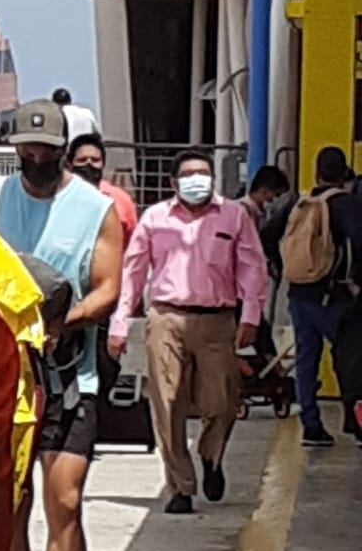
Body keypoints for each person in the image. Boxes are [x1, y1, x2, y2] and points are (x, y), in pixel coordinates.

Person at [0, 98, 123, 551]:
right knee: (10, 512)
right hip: (5, 378)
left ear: (64, 150)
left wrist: (68, 322)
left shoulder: (96, 210)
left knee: (65, 501)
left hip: (69, 377)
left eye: (45, 149)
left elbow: (109, 286)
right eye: (25, 149)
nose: (34, 158)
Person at [109, 148, 268, 511]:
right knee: (166, 403)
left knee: (224, 402)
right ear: (173, 183)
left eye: (203, 173)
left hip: (217, 320)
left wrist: (251, 316)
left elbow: (252, 266)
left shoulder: (234, 215)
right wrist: (120, 323)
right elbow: (133, 273)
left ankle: (211, 455)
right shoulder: (155, 218)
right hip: (166, 317)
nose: (197, 180)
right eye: (188, 174)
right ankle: (180, 486)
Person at [280, 146, 362, 446]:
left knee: (306, 360)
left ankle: (311, 426)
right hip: (335, 296)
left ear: (317, 172)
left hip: (299, 294)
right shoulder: (347, 204)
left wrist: (280, 270)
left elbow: (267, 234)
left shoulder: (299, 203)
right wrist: (355, 281)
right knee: (351, 359)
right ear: (344, 173)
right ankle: (355, 422)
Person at [68, 132, 138, 242]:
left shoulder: (121, 199)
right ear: (70, 165)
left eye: (95, 160)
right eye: (82, 160)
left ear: (103, 164)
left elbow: (131, 241)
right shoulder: (60, 198)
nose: (89, 164)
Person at [241, 164, 291, 230]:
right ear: (263, 191)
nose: (278, 199)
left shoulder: (262, 213)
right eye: (277, 195)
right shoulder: (242, 212)